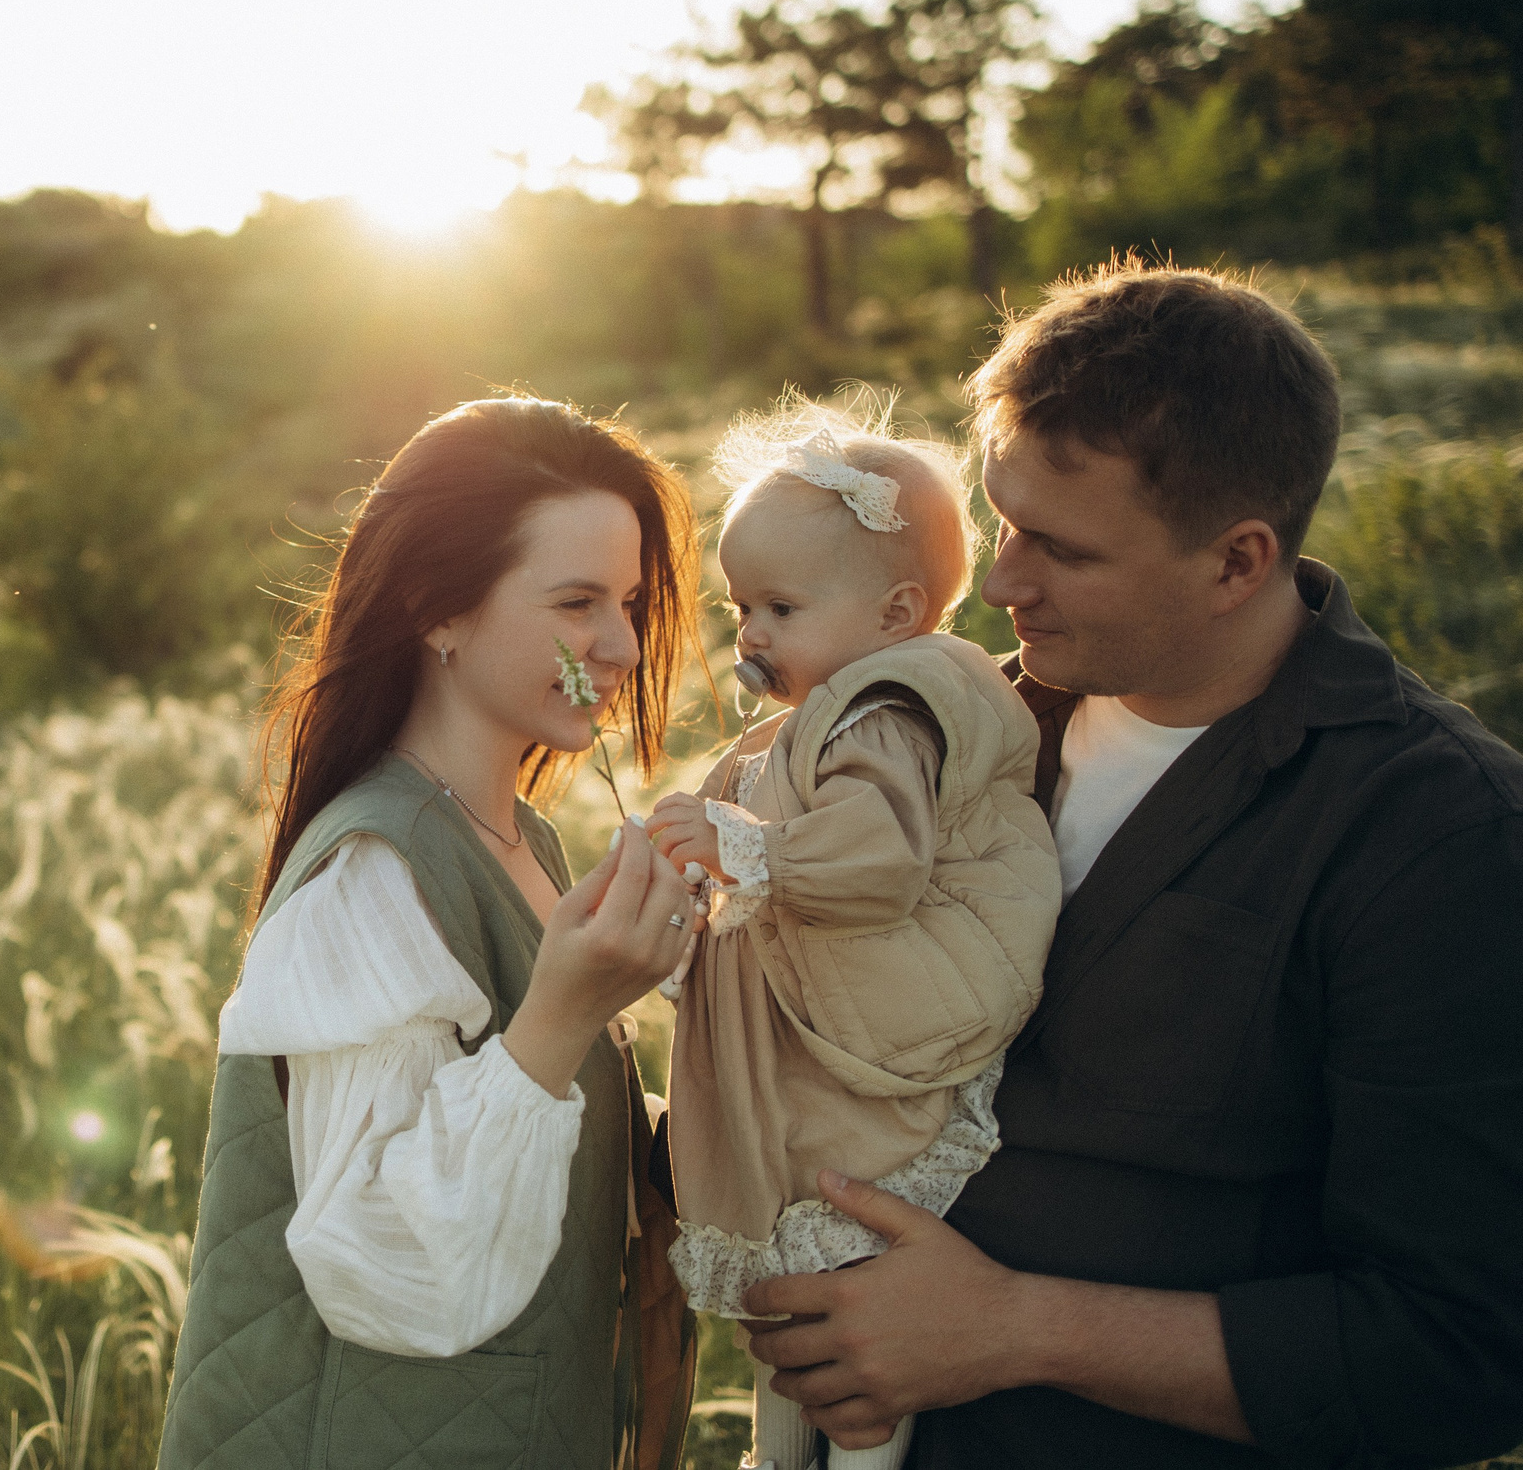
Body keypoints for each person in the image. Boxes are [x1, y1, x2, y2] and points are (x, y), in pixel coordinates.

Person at [734, 265, 1523, 1468]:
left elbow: (1462, 1351)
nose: (1000, 583)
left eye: (1062, 547)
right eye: (1002, 521)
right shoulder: (959, 726)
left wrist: (1017, 1329)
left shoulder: (1435, 834)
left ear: (1236, 560)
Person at [158, 396, 706, 1470]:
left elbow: (530, 1138)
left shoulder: (526, 843)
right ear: (437, 608)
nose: (621, 643)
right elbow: (382, 1257)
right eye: (575, 599)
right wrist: (562, 1013)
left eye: (631, 599)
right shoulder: (372, 867)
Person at [643, 403, 1061, 1470]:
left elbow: (878, 855)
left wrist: (743, 849)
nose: (753, 633)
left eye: (781, 604)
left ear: (898, 610)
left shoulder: (886, 709)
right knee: (796, 1305)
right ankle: (783, 1455)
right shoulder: (794, 729)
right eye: (742, 606)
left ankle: (855, 1453)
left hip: (883, 1019)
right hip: (818, 1021)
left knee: (847, 1294)